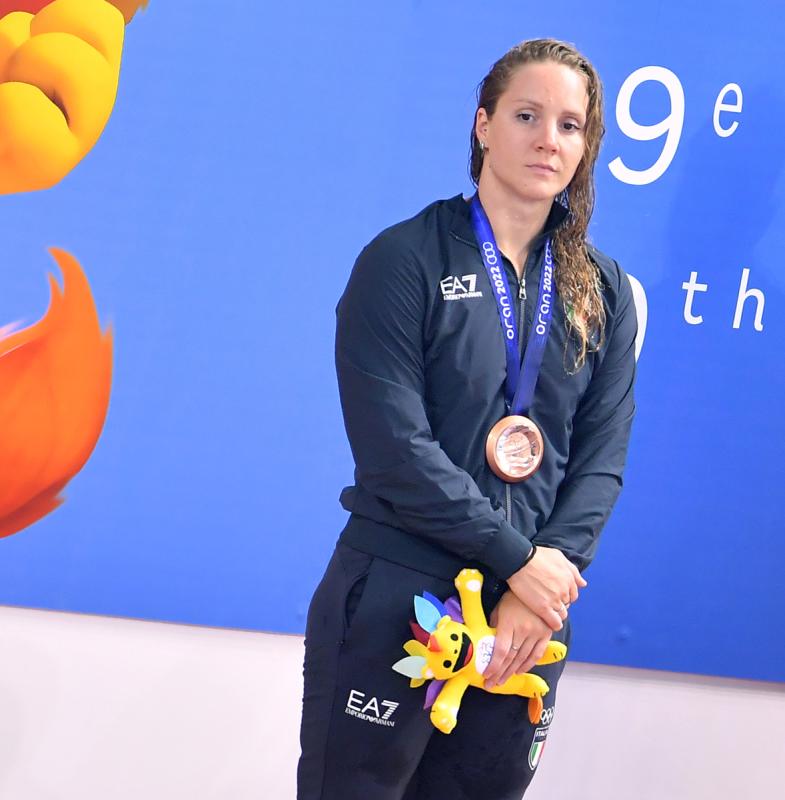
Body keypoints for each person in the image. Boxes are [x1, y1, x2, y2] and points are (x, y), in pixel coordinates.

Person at [297, 37, 638, 800]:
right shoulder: (403, 260)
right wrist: (519, 560)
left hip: (528, 616)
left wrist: (541, 579)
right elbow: (394, 450)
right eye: (526, 115)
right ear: (483, 125)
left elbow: (601, 457)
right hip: (400, 592)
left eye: (570, 125)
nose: (548, 139)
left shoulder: (602, 292)